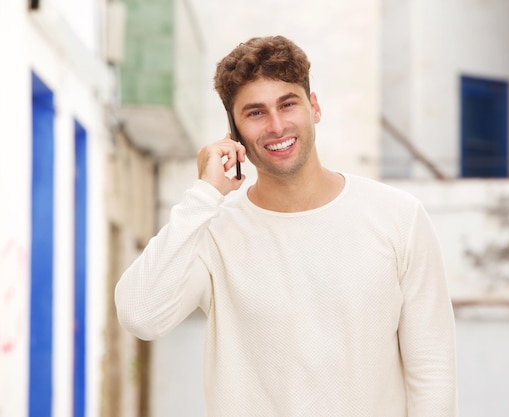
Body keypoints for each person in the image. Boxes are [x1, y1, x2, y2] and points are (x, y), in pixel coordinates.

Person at [115, 35, 458, 416]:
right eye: (255, 112)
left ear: (314, 107)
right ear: (234, 133)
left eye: (288, 104)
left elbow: (432, 373)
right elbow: (140, 315)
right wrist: (204, 195)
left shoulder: (399, 218)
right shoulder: (213, 232)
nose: (277, 126)